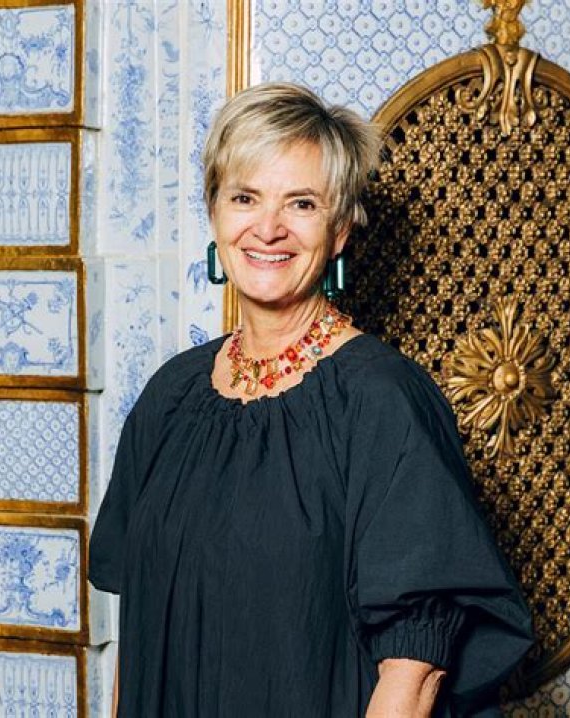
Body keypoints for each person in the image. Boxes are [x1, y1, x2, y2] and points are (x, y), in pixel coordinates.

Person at [89, 83, 533, 717]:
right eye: (245, 197)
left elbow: (416, 670)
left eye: (301, 203)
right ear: (215, 214)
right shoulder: (172, 394)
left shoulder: (384, 401)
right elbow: (140, 634)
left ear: (340, 229)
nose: (268, 228)